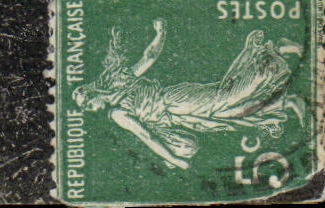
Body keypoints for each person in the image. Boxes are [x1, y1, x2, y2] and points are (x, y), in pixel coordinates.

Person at [73, 18, 306, 169]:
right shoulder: (120, 94)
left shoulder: (117, 110)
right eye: (85, 108)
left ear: (93, 91)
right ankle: (285, 102)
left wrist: (173, 159)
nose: (88, 109)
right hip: (178, 115)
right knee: (232, 112)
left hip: (174, 101)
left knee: (226, 98)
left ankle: (275, 51)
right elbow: (149, 59)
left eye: (86, 102)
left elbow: (146, 135)